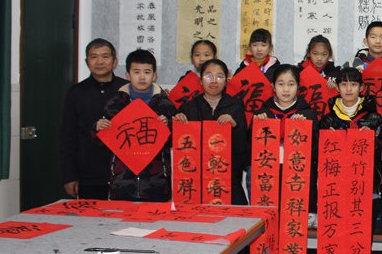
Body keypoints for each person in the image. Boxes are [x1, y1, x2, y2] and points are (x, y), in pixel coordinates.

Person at [318, 66, 382, 254]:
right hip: (335, 188)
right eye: (344, 84)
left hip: (365, 187)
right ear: (337, 88)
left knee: (360, 239)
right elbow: (319, 155)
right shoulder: (328, 118)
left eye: (353, 84)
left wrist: (372, 139)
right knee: (337, 238)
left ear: (361, 88)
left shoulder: (374, 118)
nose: (348, 89)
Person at [255, 64, 319, 254]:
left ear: (298, 88)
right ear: (273, 86)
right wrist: (257, 124)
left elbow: (316, 151)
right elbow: (251, 149)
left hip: (296, 182)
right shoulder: (263, 112)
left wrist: (305, 126)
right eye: (281, 84)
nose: (285, 89)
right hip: (269, 182)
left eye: (291, 84)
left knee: (293, 232)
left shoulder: (307, 113)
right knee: (271, 232)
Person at [95, 49, 177, 202]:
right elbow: (101, 142)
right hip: (122, 184)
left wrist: (168, 126)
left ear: (154, 75)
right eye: (136, 72)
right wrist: (98, 129)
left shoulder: (165, 105)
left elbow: (176, 141)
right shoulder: (115, 104)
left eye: (147, 72)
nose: (142, 77)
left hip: (156, 184)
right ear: (128, 75)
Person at [58, 39, 129, 200]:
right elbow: (67, 137)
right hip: (88, 175)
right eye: (94, 57)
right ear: (87, 62)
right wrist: (69, 176)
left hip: (124, 174)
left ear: (114, 61)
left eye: (105, 56)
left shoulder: (127, 90)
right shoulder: (75, 93)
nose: (100, 62)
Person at [173, 59, 249, 205]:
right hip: (197, 179)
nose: (214, 81)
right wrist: (177, 121)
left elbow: (242, 147)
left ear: (226, 81)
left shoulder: (235, 105)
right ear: (200, 80)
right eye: (208, 76)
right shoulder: (189, 106)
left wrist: (235, 125)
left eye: (219, 76)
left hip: (228, 178)